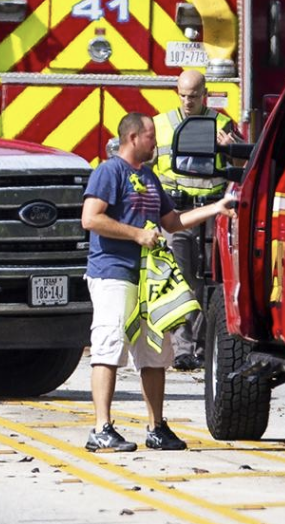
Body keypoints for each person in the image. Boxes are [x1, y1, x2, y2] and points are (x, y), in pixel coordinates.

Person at [82, 111, 237, 453]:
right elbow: (90, 218)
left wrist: (216, 208)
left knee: (155, 352)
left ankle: (156, 428)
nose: (156, 142)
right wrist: (137, 234)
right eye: (151, 136)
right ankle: (101, 429)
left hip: (148, 280)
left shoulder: (149, 177)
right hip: (113, 272)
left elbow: (173, 222)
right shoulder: (109, 172)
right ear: (133, 138)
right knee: (109, 345)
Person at [151, 69, 239, 370]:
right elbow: (145, 167)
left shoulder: (223, 124)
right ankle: (183, 350)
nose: (188, 101)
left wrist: (230, 148)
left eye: (194, 96)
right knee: (180, 281)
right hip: (176, 214)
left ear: (205, 95)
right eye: (183, 95)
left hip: (213, 212)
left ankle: (203, 348)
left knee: (210, 281)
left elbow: (243, 165)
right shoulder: (161, 124)